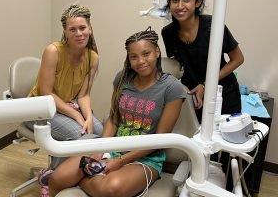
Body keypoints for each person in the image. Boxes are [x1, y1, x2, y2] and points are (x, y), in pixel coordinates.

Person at [45, 27, 187, 197]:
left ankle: (82, 182)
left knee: (111, 188)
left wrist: (120, 162)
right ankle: (85, 181)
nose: (140, 61)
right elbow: (113, 118)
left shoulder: (172, 88)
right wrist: (100, 150)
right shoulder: (123, 79)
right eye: (134, 56)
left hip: (146, 159)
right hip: (112, 148)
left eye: (146, 53)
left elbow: (159, 139)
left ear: (157, 52)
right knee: (56, 178)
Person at [25, 4, 103, 170]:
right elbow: (46, 93)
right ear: (65, 32)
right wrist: (76, 115)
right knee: (80, 134)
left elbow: (83, 95)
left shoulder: (92, 57)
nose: (79, 33)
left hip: (65, 106)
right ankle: (51, 177)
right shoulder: (53, 51)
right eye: (72, 29)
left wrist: (88, 116)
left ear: (90, 28)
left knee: (100, 130)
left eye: (82, 28)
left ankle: (79, 173)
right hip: (38, 109)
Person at [161, 0, 244, 123]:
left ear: (197, 2)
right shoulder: (168, 33)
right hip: (194, 96)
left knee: (224, 139)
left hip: (223, 94)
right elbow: (178, 66)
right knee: (197, 139)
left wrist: (206, 85)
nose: (180, 6)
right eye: (175, 0)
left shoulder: (214, 26)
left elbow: (238, 59)